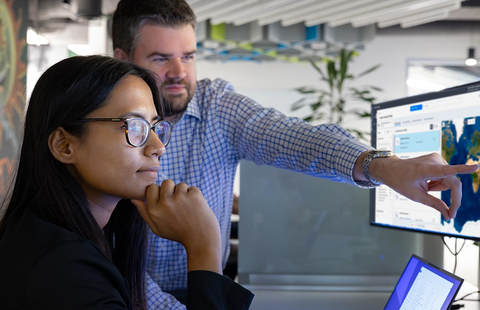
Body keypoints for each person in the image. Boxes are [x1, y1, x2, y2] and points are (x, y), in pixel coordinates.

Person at [111, 0, 478, 308]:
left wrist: (382, 166)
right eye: (161, 59)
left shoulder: (215, 104)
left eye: (188, 56)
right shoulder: (106, 130)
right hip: (128, 295)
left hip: (208, 288)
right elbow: (114, 264)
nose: (179, 73)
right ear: (122, 59)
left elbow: (292, 138)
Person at [0, 55, 253, 310]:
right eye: (135, 126)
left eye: (155, 127)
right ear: (64, 146)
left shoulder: (49, 239)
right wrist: (204, 248)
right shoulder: (65, 270)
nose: (158, 147)